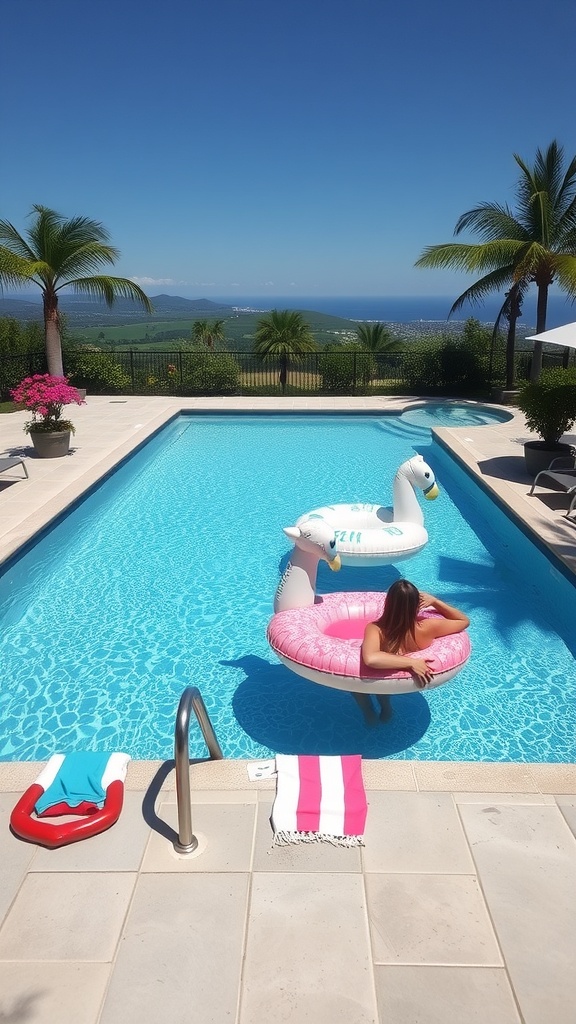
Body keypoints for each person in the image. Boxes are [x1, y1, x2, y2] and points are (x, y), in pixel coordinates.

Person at [354, 579, 470, 725]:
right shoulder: (429, 627)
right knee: (380, 685)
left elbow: (371, 659)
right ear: (417, 605)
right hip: (395, 684)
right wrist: (435, 601)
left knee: (356, 684)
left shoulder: (376, 629)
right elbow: (463, 620)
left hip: (378, 674)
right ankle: (386, 708)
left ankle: (369, 714)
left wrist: (411, 663)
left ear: (388, 603)